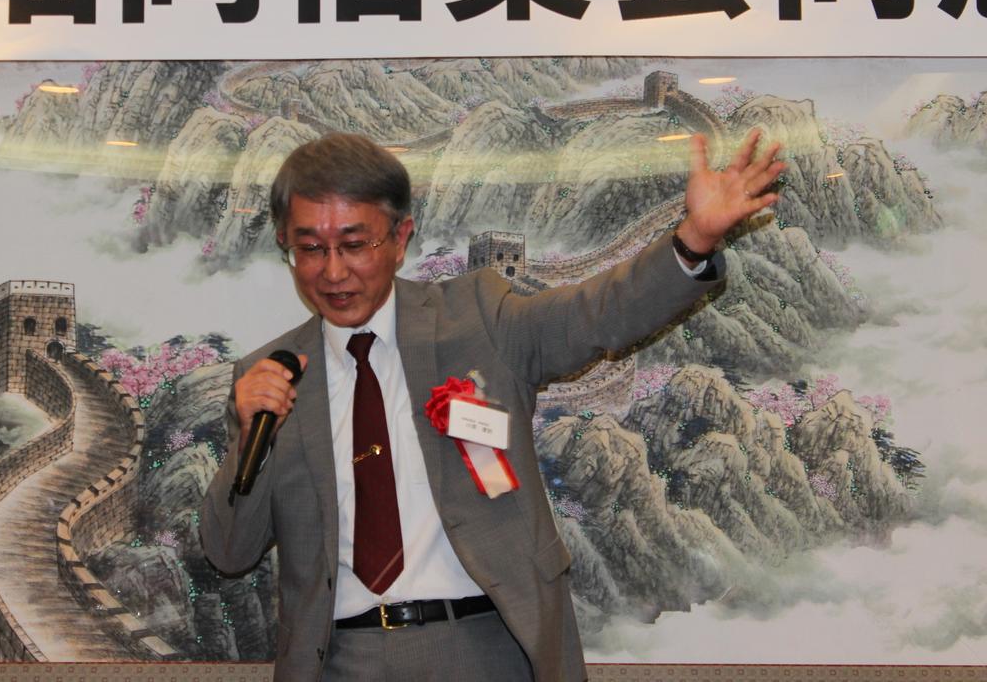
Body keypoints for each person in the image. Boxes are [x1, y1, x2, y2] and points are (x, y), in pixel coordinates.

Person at [201, 130, 784, 681]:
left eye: (355, 244)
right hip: (343, 659)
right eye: (309, 248)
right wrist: (253, 435)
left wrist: (693, 240)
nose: (332, 271)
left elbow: (594, 315)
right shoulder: (268, 378)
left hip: (486, 645)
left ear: (401, 239)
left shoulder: (477, 317)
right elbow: (229, 552)